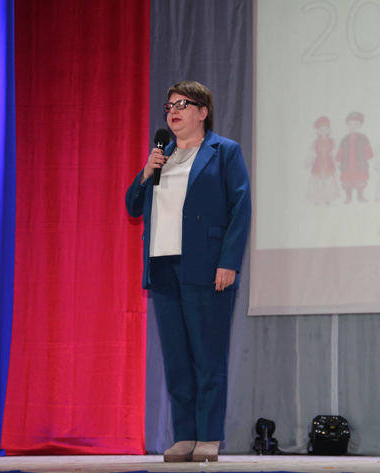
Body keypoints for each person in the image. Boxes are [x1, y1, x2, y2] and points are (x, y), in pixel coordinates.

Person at [125, 81, 251, 463]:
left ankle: (208, 436)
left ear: (202, 112)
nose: (173, 111)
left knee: (207, 358)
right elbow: (132, 206)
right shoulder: (161, 156)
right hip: (163, 265)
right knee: (177, 359)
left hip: (207, 267)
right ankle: (184, 435)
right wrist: (146, 172)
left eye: (182, 104)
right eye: (169, 106)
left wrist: (228, 261)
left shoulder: (224, 151)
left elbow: (240, 208)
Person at [335, 112, 373, 203]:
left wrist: (368, 156)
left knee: (360, 180)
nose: (353, 126)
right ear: (347, 125)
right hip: (347, 164)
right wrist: (338, 160)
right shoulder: (344, 139)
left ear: (360, 125)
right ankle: (348, 198)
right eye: (350, 124)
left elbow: (368, 150)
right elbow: (340, 151)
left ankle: (360, 197)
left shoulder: (363, 138)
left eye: (356, 124)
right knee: (347, 181)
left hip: (359, 164)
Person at [306, 116, 340, 205]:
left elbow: (334, 152)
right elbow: (312, 153)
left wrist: (337, 162)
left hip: (328, 163)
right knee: (318, 181)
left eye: (327, 129)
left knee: (328, 180)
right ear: (317, 131)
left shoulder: (332, 141)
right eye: (321, 129)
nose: (324, 131)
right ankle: (317, 199)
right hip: (318, 163)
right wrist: (308, 162)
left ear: (330, 130)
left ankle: (327, 198)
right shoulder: (315, 143)